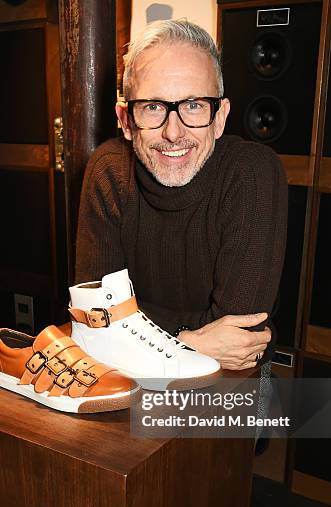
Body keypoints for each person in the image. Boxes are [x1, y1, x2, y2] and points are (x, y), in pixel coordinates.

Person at [75, 19, 287, 371]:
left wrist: (127, 325)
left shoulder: (252, 172)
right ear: (126, 121)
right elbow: (94, 317)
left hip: (230, 379)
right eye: (153, 107)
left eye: (193, 106)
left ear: (220, 118)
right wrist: (187, 339)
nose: (173, 133)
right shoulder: (108, 171)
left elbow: (238, 335)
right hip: (123, 371)